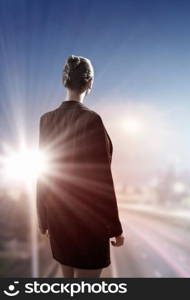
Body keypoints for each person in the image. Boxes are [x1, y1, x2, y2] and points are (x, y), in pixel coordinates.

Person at [37, 55, 124, 278]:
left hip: (58, 219)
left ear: (64, 81)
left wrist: (42, 218)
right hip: (88, 223)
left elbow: (43, 172)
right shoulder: (92, 120)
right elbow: (102, 179)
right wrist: (115, 227)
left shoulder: (46, 120)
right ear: (90, 82)